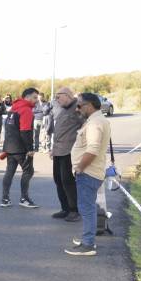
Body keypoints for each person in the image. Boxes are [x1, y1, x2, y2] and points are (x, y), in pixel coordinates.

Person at [65, 93, 112, 256]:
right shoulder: (97, 120)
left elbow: (92, 149)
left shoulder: (95, 123)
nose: (77, 109)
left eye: (79, 105)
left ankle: (88, 244)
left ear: (89, 105)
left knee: (86, 208)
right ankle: (88, 238)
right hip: (91, 171)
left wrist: (80, 168)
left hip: (88, 172)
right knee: (87, 207)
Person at [0, 88, 39, 208]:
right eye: (34, 97)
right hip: (21, 147)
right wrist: (30, 149)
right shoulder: (26, 110)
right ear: (27, 97)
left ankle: (5, 199)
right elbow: (25, 131)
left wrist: (7, 147)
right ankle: (24, 199)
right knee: (28, 171)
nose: (36, 100)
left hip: (10, 146)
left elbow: (9, 128)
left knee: (9, 172)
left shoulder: (13, 108)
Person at [50, 87, 84, 222]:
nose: (56, 99)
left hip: (69, 151)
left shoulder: (78, 108)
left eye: (58, 96)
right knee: (58, 179)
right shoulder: (63, 109)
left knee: (67, 181)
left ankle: (74, 210)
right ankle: (65, 209)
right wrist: (53, 149)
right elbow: (59, 131)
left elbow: (86, 127)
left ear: (68, 95)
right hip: (58, 151)